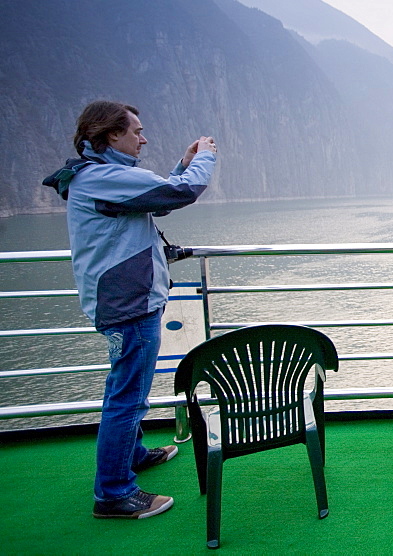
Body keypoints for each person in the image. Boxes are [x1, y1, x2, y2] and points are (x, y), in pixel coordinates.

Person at [43, 101, 217, 519]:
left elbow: (155, 201)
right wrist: (206, 157)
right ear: (109, 135)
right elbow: (179, 193)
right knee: (128, 399)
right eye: (136, 131)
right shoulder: (102, 178)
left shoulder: (101, 176)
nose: (143, 137)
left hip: (127, 299)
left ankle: (132, 454)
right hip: (128, 305)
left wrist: (182, 161)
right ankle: (114, 493)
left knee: (126, 390)